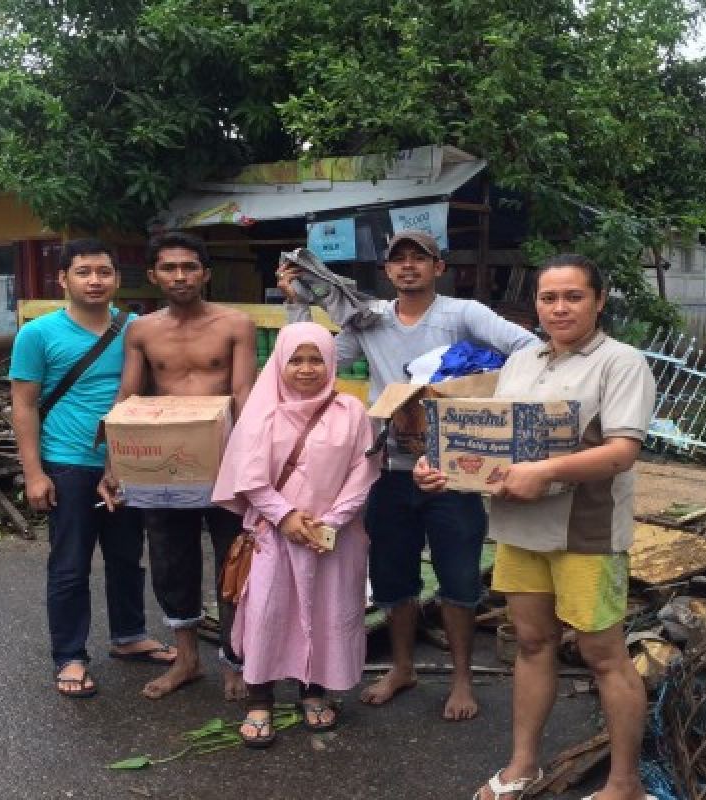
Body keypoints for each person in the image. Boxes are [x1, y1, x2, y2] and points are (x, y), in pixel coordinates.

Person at [415, 254, 658, 800]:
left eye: (573, 296)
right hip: (520, 527)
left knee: (603, 656)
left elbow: (622, 452)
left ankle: (625, 783)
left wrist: (545, 471)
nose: (560, 307)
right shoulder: (523, 362)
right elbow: (490, 440)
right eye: (549, 298)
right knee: (530, 642)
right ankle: (524, 764)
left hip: (585, 532)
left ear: (599, 301)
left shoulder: (620, 362)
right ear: (536, 306)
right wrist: (444, 468)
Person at [278, 230, 539, 721]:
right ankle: (402, 667)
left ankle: (462, 678)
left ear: (438, 267)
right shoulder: (369, 318)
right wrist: (298, 306)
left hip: (452, 475)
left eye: (420, 258)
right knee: (393, 578)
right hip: (389, 470)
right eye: (399, 260)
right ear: (387, 271)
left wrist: (473, 396)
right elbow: (322, 364)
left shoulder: (464, 315)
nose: (408, 267)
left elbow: (526, 348)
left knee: (459, 579)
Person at [10, 238, 176, 699]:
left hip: (125, 462)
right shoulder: (38, 334)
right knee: (70, 563)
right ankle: (69, 654)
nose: (95, 280)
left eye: (104, 271)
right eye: (83, 272)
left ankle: (128, 635)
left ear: (117, 279)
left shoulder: (137, 328)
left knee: (127, 556)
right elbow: (23, 406)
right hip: (66, 463)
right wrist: (33, 474)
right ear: (62, 279)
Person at [98, 230, 257, 699]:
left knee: (235, 562)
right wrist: (114, 462)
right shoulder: (142, 330)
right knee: (170, 560)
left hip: (224, 460)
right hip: (164, 463)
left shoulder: (235, 324)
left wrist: (249, 463)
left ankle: (236, 661)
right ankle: (186, 659)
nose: (180, 276)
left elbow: (244, 392)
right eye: (169, 267)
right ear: (153, 276)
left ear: (205, 273)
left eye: (189, 267)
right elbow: (128, 396)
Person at [212, 322, 381, 747]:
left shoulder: (352, 411)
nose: (307, 369)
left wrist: (332, 521)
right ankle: (260, 699)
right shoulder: (262, 412)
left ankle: (315, 691)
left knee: (326, 612)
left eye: (317, 359)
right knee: (267, 614)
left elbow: (364, 471)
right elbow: (250, 477)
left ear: (331, 362)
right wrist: (286, 517)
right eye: (296, 360)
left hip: (334, 539)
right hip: (273, 535)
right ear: (279, 363)